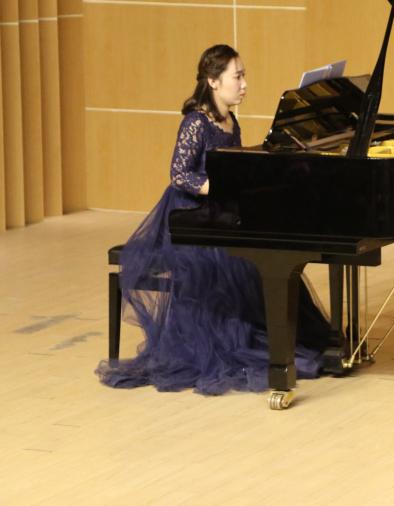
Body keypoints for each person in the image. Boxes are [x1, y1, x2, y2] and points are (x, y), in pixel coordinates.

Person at [96, 44, 331, 395]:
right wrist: (217, 188)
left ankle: (279, 335)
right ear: (213, 81)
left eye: (244, 76)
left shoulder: (230, 120)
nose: (244, 84)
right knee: (226, 263)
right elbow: (179, 174)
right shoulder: (196, 122)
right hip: (189, 212)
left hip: (217, 208)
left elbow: (233, 166)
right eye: (237, 77)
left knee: (260, 251)